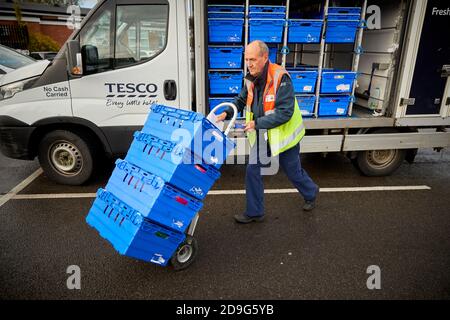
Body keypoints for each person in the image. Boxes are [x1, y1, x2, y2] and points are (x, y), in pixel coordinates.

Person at [216, 40, 319, 224]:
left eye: (253, 59)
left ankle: (311, 193)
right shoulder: (250, 78)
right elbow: (240, 100)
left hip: (284, 136)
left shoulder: (281, 77)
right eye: (247, 59)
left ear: (265, 58)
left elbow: (285, 113)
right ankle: (255, 212)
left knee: (293, 172)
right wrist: (226, 112)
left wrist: (256, 123)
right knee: (252, 169)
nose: (249, 63)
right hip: (263, 134)